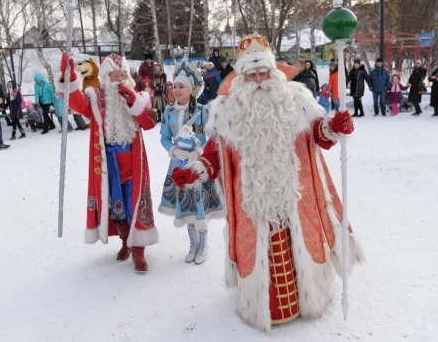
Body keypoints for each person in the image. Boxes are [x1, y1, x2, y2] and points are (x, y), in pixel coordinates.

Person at [171, 34, 363, 332]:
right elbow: (214, 155)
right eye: (252, 74)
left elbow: (318, 132)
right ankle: (261, 305)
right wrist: (195, 170)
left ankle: (311, 296)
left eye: (263, 72)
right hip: (252, 201)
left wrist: (333, 127)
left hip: (296, 197)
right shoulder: (227, 112)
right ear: (241, 76)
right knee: (259, 252)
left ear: (273, 72)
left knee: (303, 243)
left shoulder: (297, 100)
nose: (259, 79)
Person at [55, 53, 158, 274]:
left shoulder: (139, 96)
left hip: (133, 163)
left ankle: (138, 249)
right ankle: (124, 241)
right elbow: (74, 102)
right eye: (114, 74)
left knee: (134, 203)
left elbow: (149, 122)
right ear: (105, 77)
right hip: (107, 165)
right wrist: (68, 78)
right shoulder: (96, 99)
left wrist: (130, 97)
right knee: (114, 205)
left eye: (122, 73)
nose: (119, 78)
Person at [159, 57, 223, 265]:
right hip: (178, 165)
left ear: (192, 88)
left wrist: (198, 152)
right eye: (175, 86)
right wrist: (174, 150)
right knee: (186, 206)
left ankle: (203, 244)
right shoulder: (169, 112)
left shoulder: (203, 111)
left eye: (181, 86)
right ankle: (193, 244)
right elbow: (165, 137)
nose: (176, 90)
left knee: (200, 205)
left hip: (198, 166)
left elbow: (211, 137)